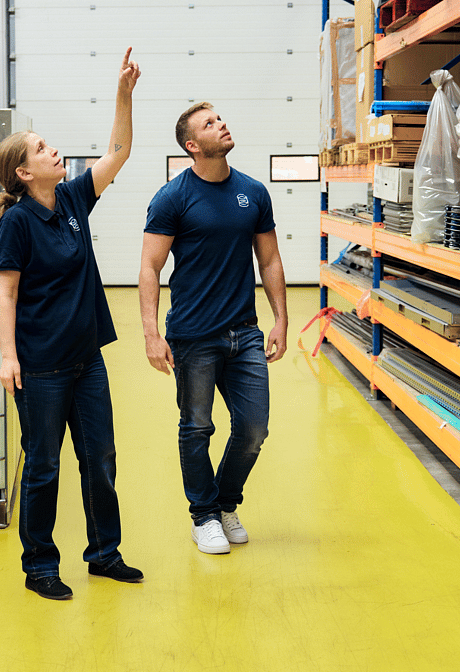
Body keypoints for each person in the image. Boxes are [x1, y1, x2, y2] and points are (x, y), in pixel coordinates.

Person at [0, 48, 142, 600]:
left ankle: (104, 555)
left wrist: (123, 94)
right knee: (44, 467)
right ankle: (40, 567)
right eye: (41, 148)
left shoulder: (74, 198)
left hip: (86, 361)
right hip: (40, 368)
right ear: (23, 172)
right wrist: (9, 357)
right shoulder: (18, 222)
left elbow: (119, 152)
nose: (53, 150)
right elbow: (6, 295)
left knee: (100, 459)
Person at [139, 102, 288, 554]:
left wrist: (281, 318)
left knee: (254, 429)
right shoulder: (172, 197)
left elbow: (269, 259)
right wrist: (151, 333)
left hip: (245, 332)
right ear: (192, 145)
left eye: (220, 118)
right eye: (210, 123)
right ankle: (204, 516)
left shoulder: (253, 192)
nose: (221, 124)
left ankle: (224, 504)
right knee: (197, 428)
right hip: (193, 335)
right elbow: (150, 266)